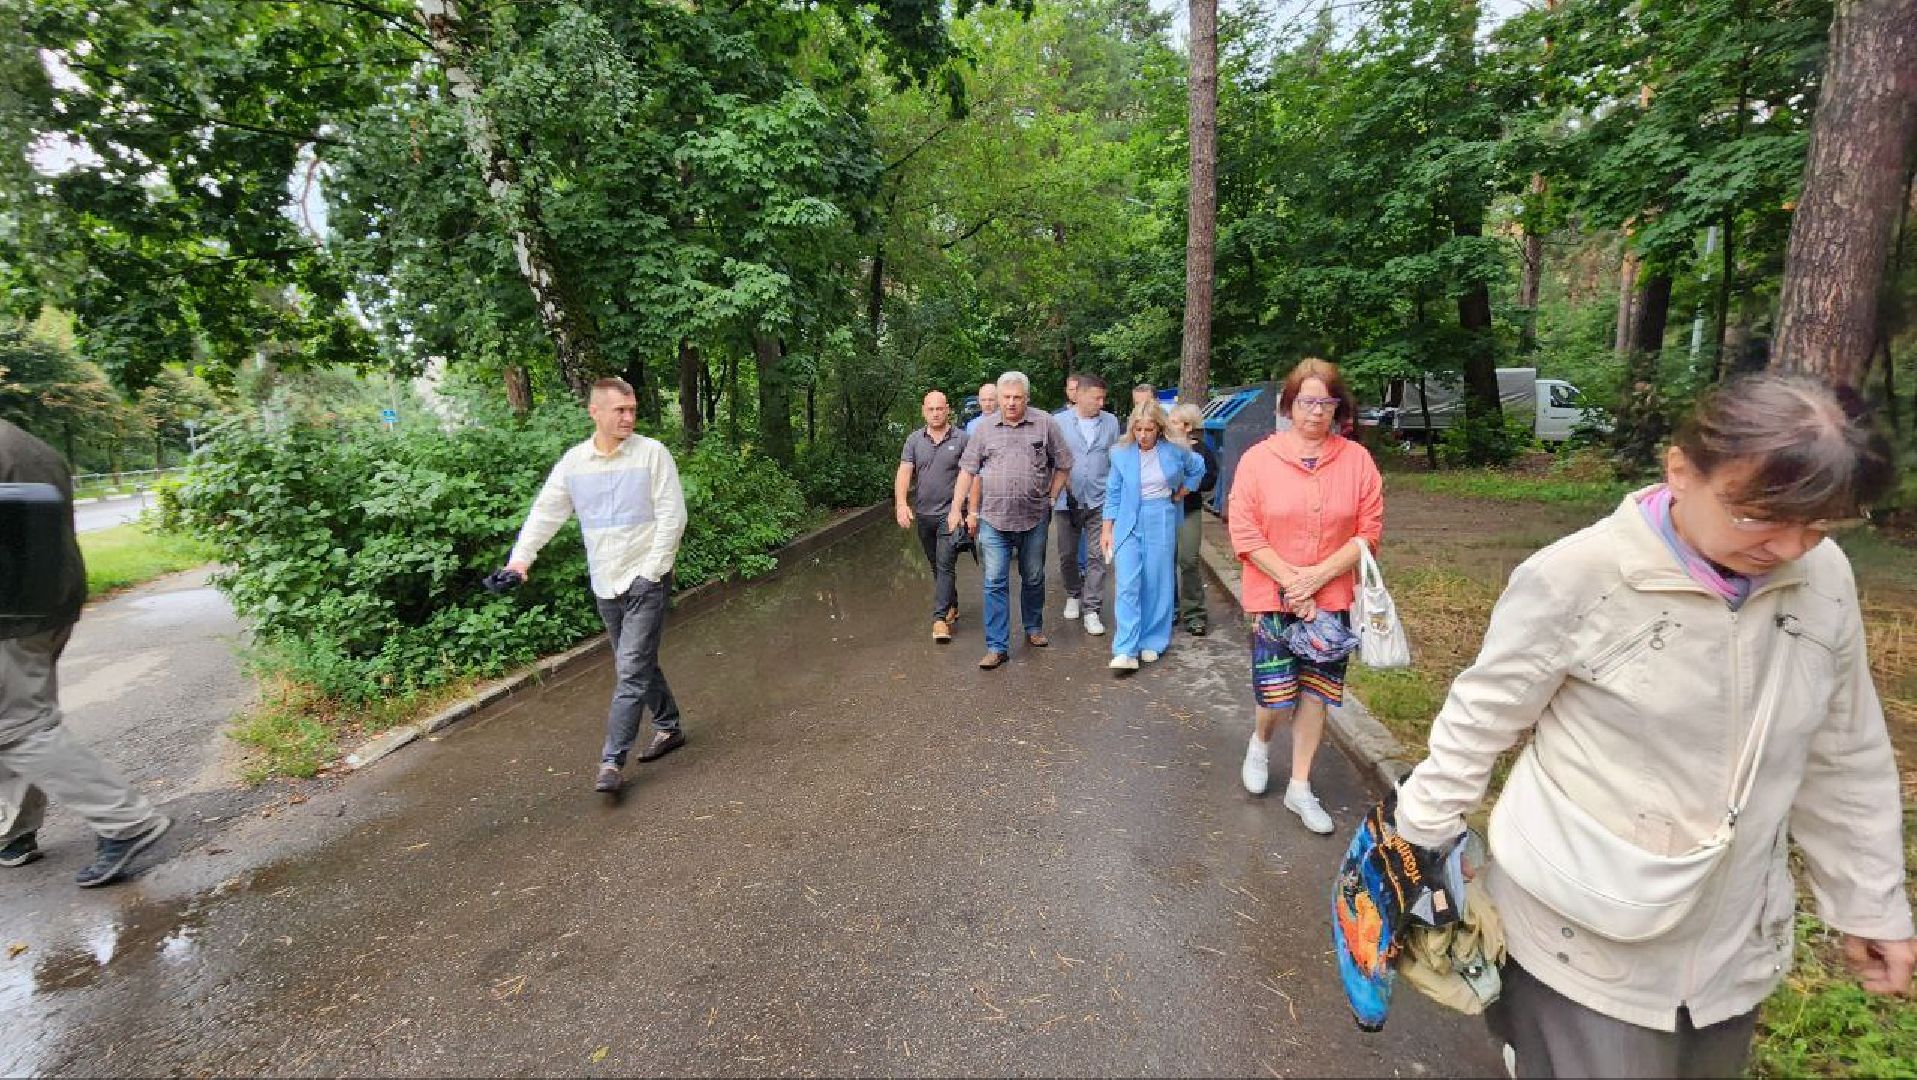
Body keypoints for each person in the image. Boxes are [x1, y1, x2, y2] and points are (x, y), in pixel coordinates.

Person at [1393, 374, 1914, 1078]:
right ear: (1679, 473)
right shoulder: (1577, 576)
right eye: (1757, 515)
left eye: (1819, 522)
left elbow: (1843, 749)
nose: (1788, 546)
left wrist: (1869, 903)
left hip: (1733, 944)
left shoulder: (1822, 579)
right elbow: (1476, 721)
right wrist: (1411, 852)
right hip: (1581, 938)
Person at [0, 419, 172, 888]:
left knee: (17, 726)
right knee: (21, 719)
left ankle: (125, 821)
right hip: (50, 602)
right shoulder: (28, 443)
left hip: (11, 615)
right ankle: (13, 831)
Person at [505, 377, 689, 794]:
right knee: (637, 662)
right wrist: (520, 561)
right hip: (605, 582)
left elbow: (672, 517)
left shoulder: (652, 455)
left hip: (647, 579)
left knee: (629, 669)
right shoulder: (574, 464)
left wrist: (653, 572)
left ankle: (612, 761)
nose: (628, 417)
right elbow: (545, 513)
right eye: (619, 410)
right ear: (595, 413)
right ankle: (669, 726)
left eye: (632, 409)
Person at [1227, 358, 1382, 834]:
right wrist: (1294, 582)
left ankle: (1299, 786)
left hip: (1331, 598)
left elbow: (1368, 531)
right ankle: (1260, 741)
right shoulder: (1259, 459)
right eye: (1307, 401)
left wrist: (1316, 579)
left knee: (1316, 694)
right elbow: (1245, 531)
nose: (1317, 411)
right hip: (1272, 596)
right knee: (1277, 696)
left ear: (1338, 407)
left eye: (1326, 402)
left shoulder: (1356, 460)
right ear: (1289, 405)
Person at [951, 371, 1073, 670]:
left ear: (1026, 398)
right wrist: (958, 508)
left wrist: (1052, 496)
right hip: (993, 518)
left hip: (1034, 517)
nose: (1011, 403)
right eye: (1006, 397)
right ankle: (996, 646)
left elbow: (1065, 462)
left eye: (1017, 397)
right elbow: (968, 470)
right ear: (999, 398)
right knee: (994, 582)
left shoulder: (1045, 423)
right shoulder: (984, 429)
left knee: (1033, 577)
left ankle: (1032, 627)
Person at [1101, 401, 1206, 672]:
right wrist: (1106, 528)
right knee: (1127, 583)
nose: (1143, 435)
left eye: (1149, 429)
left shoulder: (1174, 451)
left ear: (1159, 429)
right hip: (1128, 518)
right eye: (1138, 429)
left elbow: (1198, 466)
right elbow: (1113, 492)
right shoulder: (1121, 453)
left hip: (1161, 514)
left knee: (1157, 581)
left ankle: (1153, 640)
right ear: (1132, 429)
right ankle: (1125, 648)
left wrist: (1184, 491)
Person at [895, 390, 969, 643]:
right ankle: (952, 604)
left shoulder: (962, 439)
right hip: (924, 514)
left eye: (940, 408)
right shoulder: (914, 440)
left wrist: (967, 512)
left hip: (950, 514)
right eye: (931, 409)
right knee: (937, 565)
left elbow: (972, 475)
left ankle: (939, 620)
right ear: (923, 411)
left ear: (947, 409)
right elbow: (905, 472)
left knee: (946, 563)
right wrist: (901, 504)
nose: (936, 413)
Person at [1054, 374, 1120, 637]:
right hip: (1066, 501)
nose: (1101, 403)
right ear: (1078, 395)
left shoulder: (1111, 422)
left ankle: (1092, 609)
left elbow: (1116, 458)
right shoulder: (1058, 422)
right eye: (1096, 398)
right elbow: (1050, 459)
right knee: (1067, 554)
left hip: (1100, 499)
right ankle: (1073, 593)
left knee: (1097, 555)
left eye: (1104, 398)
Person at [1166, 402, 1219, 636]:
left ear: (1188, 426)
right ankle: (1169, 609)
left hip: (1189, 510)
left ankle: (1194, 612)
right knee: (1165, 562)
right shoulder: (1164, 447)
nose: (1171, 425)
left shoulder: (1201, 451)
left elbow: (1210, 480)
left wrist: (1189, 486)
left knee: (1188, 560)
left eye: (1175, 421)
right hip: (1164, 511)